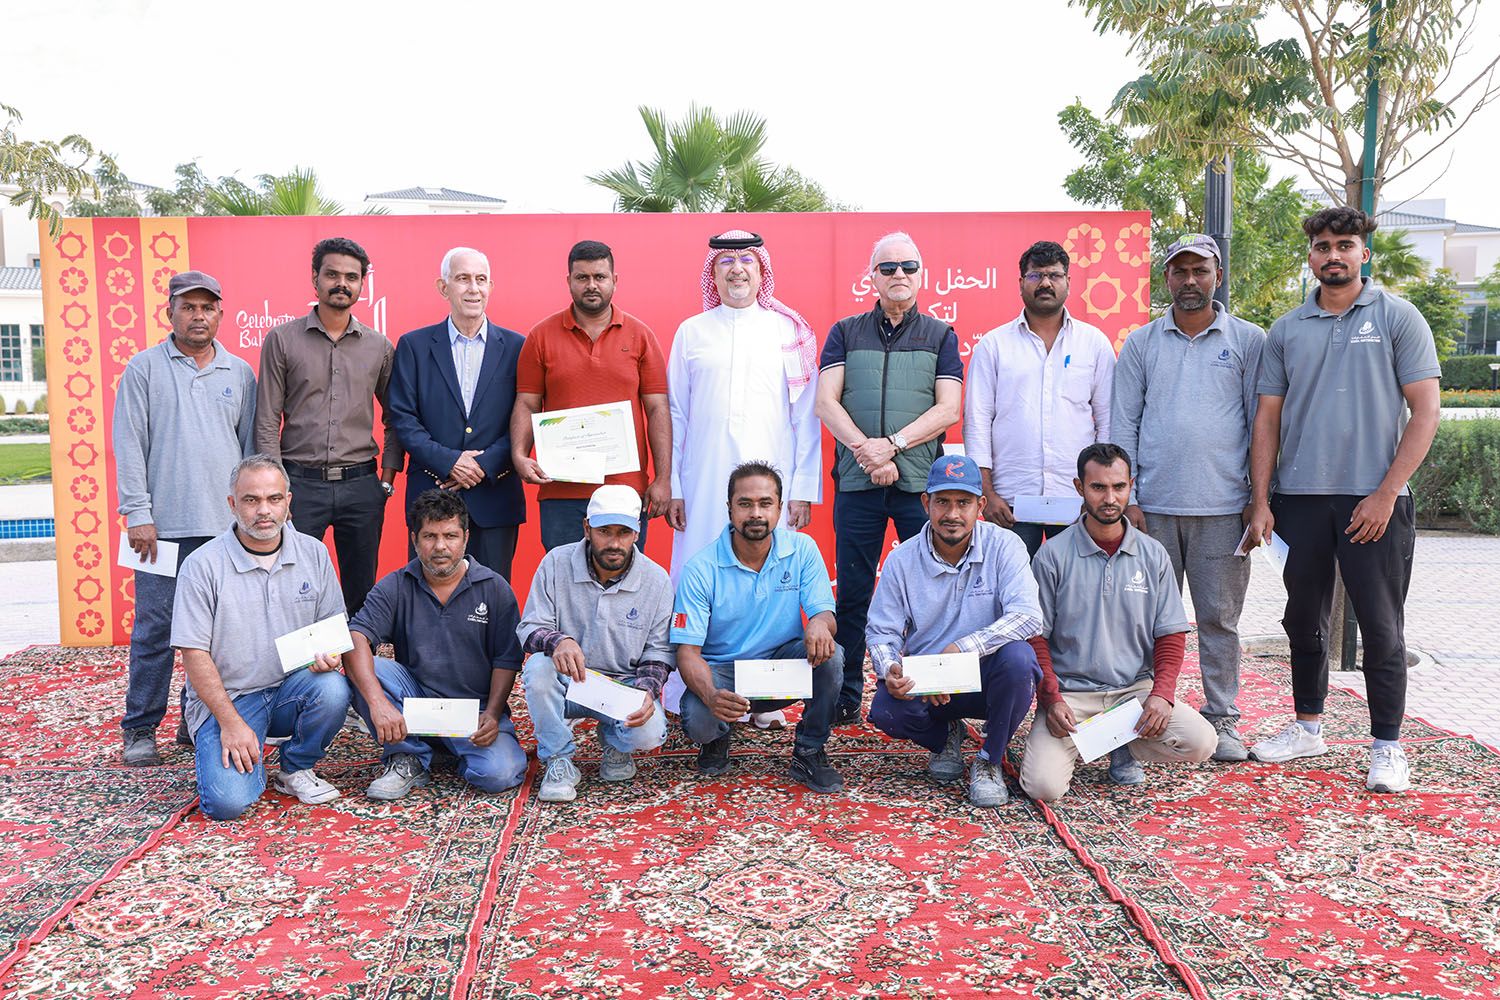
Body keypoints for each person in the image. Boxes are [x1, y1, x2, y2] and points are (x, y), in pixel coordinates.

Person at [1244, 207, 1441, 794]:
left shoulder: (1399, 317)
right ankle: (1308, 727)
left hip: (1374, 501)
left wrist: (1386, 493)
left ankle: (1387, 746)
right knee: (1303, 619)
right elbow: (1267, 420)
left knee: (1381, 625)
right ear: (1311, 256)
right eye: (1323, 245)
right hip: (1299, 500)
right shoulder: (1286, 329)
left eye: (1345, 244)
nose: (1333, 254)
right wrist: (1261, 500)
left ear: (1364, 254)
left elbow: (1426, 411)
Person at [1110, 234, 1267, 762]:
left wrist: (1259, 499)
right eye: (1180, 271)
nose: (1190, 280)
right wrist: (1129, 499)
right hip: (1151, 510)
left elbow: (1262, 425)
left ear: (1218, 276)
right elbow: (1123, 423)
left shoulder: (1249, 340)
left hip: (1224, 509)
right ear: (1167, 279)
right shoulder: (1141, 343)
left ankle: (1223, 718)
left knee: (1219, 620)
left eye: (1200, 270)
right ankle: (1136, 719)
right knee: (1142, 621)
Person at [663, 229, 823, 726]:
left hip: (770, 488)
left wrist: (801, 489)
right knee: (697, 576)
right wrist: (675, 486)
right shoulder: (691, 331)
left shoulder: (786, 331)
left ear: (762, 270)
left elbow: (806, 417)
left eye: (747, 261)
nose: (736, 270)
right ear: (712, 274)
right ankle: (689, 686)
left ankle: (764, 697)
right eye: (725, 262)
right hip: (704, 480)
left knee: (768, 586)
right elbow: (676, 414)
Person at [816, 231, 963, 727]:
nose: (899, 274)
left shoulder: (941, 336)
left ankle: (932, 695)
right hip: (858, 482)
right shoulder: (844, 332)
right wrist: (868, 451)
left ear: (922, 274)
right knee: (853, 594)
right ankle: (845, 696)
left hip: (919, 487)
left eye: (908, 266)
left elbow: (949, 409)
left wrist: (892, 445)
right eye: (888, 267)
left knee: (931, 595)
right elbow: (826, 402)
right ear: (872, 277)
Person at [113, 270, 256, 767]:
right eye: (188, 307)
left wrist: (250, 519)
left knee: (217, 636)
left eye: (207, 308)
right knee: (154, 630)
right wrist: (137, 513)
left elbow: (250, 453)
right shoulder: (143, 368)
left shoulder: (240, 373)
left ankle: (193, 721)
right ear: (169, 312)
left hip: (224, 531)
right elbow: (129, 445)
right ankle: (139, 728)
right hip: (158, 531)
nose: (199, 316)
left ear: (220, 314)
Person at [1019, 444, 1216, 801]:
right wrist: (1052, 698)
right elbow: (1035, 637)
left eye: (1119, 487)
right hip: (1072, 696)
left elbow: (1171, 633)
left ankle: (1119, 742)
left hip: (1133, 693)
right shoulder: (1052, 555)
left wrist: (1161, 695)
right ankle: (1107, 739)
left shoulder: (1153, 554)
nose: (1110, 498)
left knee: (1201, 743)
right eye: (1098, 487)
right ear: (1079, 487)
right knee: (1043, 787)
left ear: (1131, 486)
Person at [170, 455, 352, 820]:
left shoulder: (314, 553)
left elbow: (333, 627)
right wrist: (231, 724)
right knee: (227, 803)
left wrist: (329, 656)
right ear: (232, 504)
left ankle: (295, 767)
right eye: (251, 500)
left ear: (288, 501)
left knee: (333, 688)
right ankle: (239, 749)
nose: (264, 510)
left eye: (274, 498)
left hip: (291, 690)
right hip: (231, 699)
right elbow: (194, 654)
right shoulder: (202, 565)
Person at [865, 454, 1045, 807]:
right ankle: (946, 735)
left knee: (1019, 660)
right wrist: (891, 668)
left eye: (963, 503)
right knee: (886, 709)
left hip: (987, 672)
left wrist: (963, 649)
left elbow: (1028, 616)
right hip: (928, 680)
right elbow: (882, 632)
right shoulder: (902, 559)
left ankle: (990, 758)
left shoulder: (1005, 545)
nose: (952, 514)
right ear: (925, 503)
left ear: (980, 506)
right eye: (942, 502)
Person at [341, 488, 527, 800]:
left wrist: (493, 714)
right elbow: (356, 635)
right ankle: (407, 755)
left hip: (473, 711)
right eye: (430, 536)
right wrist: (378, 704)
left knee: (499, 774)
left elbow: (506, 660)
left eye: (450, 536)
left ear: (466, 538)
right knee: (367, 666)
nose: (440, 546)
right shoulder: (396, 585)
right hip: (415, 703)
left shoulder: (494, 588)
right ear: (415, 539)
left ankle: (451, 750)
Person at [673, 462, 845, 793]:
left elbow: (824, 612)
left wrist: (819, 624)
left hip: (783, 667)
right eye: (745, 503)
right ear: (729, 508)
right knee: (699, 721)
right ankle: (718, 736)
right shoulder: (700, 568)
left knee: (832, 654)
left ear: (779, 508)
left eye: (765, 503)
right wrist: (710, 695)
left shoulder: (802, 549)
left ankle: (809, 750)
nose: (755, 513)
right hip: (726, 675)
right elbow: (687, 653)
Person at [255, 236, 404, 616]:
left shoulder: (380, 347)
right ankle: (296, 656)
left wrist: (386, 479)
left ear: (362, 284)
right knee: (295, 587)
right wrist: (277, 488)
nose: (342, 283)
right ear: (315, 278)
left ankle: (358, 654)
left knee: (361, 591)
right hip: (299, 484)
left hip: (361, 485)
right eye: (332, 274)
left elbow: (396, 418)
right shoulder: (282, 340)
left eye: (351, 277)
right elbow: (267, 419)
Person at [512, 241, 671, 551]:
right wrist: (519, 454)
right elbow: (527, 403)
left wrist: (663, 478)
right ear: (568, 281)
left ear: (615, 280)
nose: (591, 285)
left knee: (623, 577)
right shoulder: (540, 336)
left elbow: (657, 409)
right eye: (582, 277)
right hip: (561, 490)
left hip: (625, 490)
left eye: (600, 276)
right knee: (563, 576)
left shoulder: (641, 335)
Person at [519, 485, 673, 801]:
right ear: (587, 528)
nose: (614, 543)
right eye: (604, 531)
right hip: (568, 681)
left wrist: (646, 691)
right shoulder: (555, 563)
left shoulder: (657, 580)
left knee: (650, 732)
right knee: (537, 668)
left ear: (637, 532)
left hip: (622, 686)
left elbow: (658, 652)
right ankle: (558, 758)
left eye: (623, 532)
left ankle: (615, 742)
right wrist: (558, 641)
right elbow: (530, 628)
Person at [964, 240, 1115, 557]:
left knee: (1077, 587)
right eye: (1036, 275)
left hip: (1077, 501)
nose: (1045, 283)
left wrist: (1100, 491)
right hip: (1010, 504)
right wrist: (986, 493)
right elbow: (977, 422)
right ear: (1021, 283)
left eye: (1054, 275)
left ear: (1068, 282)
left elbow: (1108, 421)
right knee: (1010, 585)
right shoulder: (994, 345)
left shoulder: (1094, 344)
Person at [388, 247, 526, 578]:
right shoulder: (414, 346)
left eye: (481, 279)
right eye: (463, 278)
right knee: (427, 597)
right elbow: (403, 418)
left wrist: (482, 464)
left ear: (491, 286)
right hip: (431, 498)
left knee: (491, 597)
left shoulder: (518, 347)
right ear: (443, 287)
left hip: (494, 498)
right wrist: (450, 461)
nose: (473, 288)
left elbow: (525, 417)